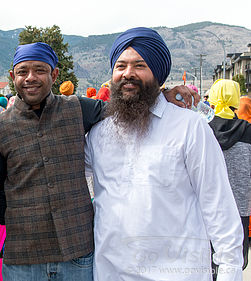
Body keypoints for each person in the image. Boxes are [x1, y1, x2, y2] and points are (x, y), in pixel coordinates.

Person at [0, 41, 196, 280]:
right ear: (13, 76)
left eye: (40, 70)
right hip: (24, 257)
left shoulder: (78, 109)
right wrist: (24, 221)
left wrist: (161, 96)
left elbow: (127, 105)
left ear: (54, 74)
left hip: (77, 256)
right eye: (23, 71)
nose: (30, 77)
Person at [85, 27, 243, 280]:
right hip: (111, 273)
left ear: (158, 74)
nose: (128, 74)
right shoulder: (99, 134)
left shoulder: (190, 128)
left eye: (140, 65)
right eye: (120, 66)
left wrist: (229, 272)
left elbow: (219, 208)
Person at [207, 79, 251, 271]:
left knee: (207, 266)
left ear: (213, 98)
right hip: (240, 209)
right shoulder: (248, 130)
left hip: (208, 210)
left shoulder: (203, 129)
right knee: (234, 266)